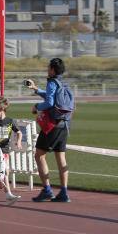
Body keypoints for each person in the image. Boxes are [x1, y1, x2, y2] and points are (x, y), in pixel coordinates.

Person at [27, 58, 73, 203]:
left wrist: (36, 107)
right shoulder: (63, 83)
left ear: (53, 69)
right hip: (64, 125)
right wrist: (36, 90)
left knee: (39, 155)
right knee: (61, 158)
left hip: (52, 126)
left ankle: (47, 190)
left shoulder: (52, 82)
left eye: (49, 67)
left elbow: (50, 102)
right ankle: (64, 192)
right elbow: (53, 97)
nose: (47, 69)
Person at [0, 97, 22, 205]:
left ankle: (8, 194)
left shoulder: (10, 121)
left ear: (2, 109)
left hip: (4, 151)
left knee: (5, 172)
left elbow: (19, 132)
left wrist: (19, 141)